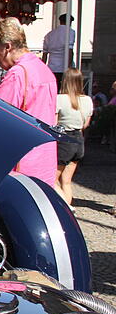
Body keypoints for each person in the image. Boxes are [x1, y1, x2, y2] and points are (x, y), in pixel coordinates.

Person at [0, 17, 57, 187]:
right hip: (44, 159)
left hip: (22, 164)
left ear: (7, 47)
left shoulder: (18, 75)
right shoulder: (43, 68)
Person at [54, 68, 93, 210]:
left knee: (52, 179)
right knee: (67, 181)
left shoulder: (60, 99)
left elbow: (54, 123)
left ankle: (66, 208)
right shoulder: (87, 100)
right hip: (79, 140)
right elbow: (85, 124)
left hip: (64, 140)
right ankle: (68, 209)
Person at [42, 14, 76, 88]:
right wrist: (69, 67)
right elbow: (70, 51)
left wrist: (42, 69)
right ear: (69, 22)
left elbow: (44, 54)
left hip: (52, 67)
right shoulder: (70, 32)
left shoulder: (49, 35)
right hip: (63, 67)